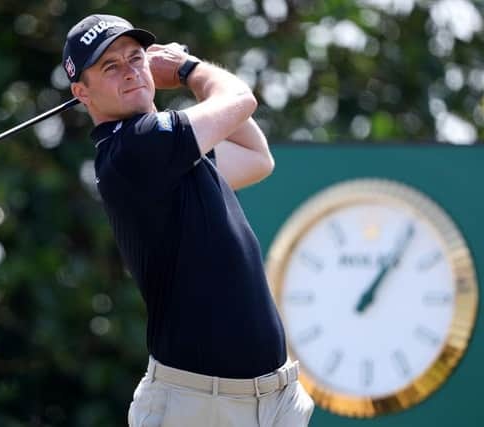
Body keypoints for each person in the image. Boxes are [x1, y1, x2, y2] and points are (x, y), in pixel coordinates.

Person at [62, 14, 314, 427]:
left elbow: (256, 157)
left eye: (136, 58)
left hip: (270, 401)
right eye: (110, 66)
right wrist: (186, 69)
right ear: (81, 93)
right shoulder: (134, 148)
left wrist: (183, 74)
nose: (130, 72)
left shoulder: (165, 148)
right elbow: (240, 100)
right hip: (199, 406)